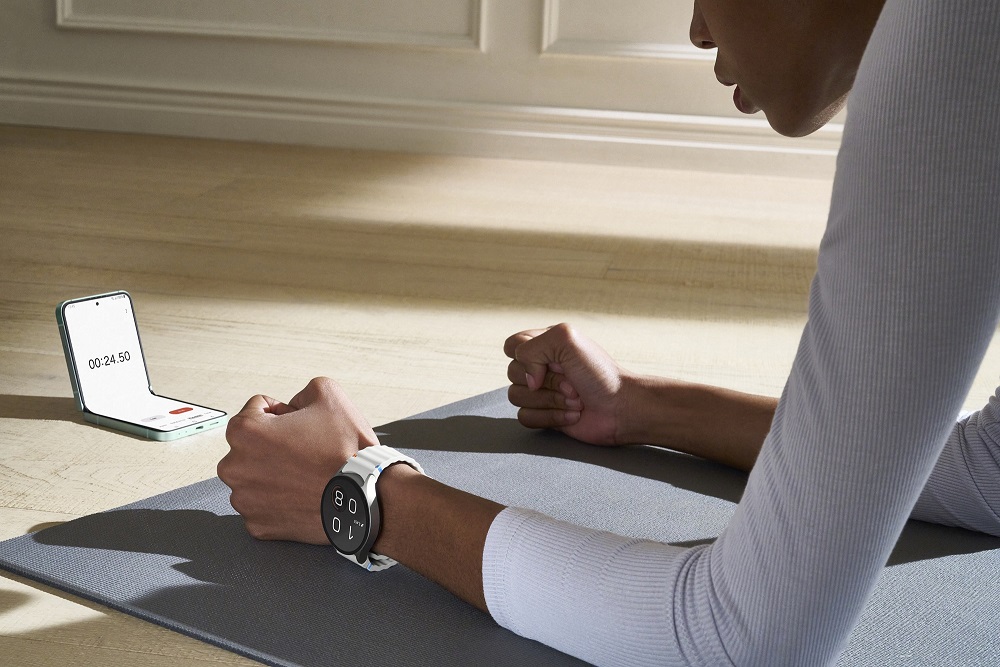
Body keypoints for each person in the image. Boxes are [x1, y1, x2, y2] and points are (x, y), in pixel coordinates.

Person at [217, 0, 1000, 664]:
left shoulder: (959, 36)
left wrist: (362, 492)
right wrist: (641, 405)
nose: (697, 29)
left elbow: (742, 637)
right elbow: (993, 476)